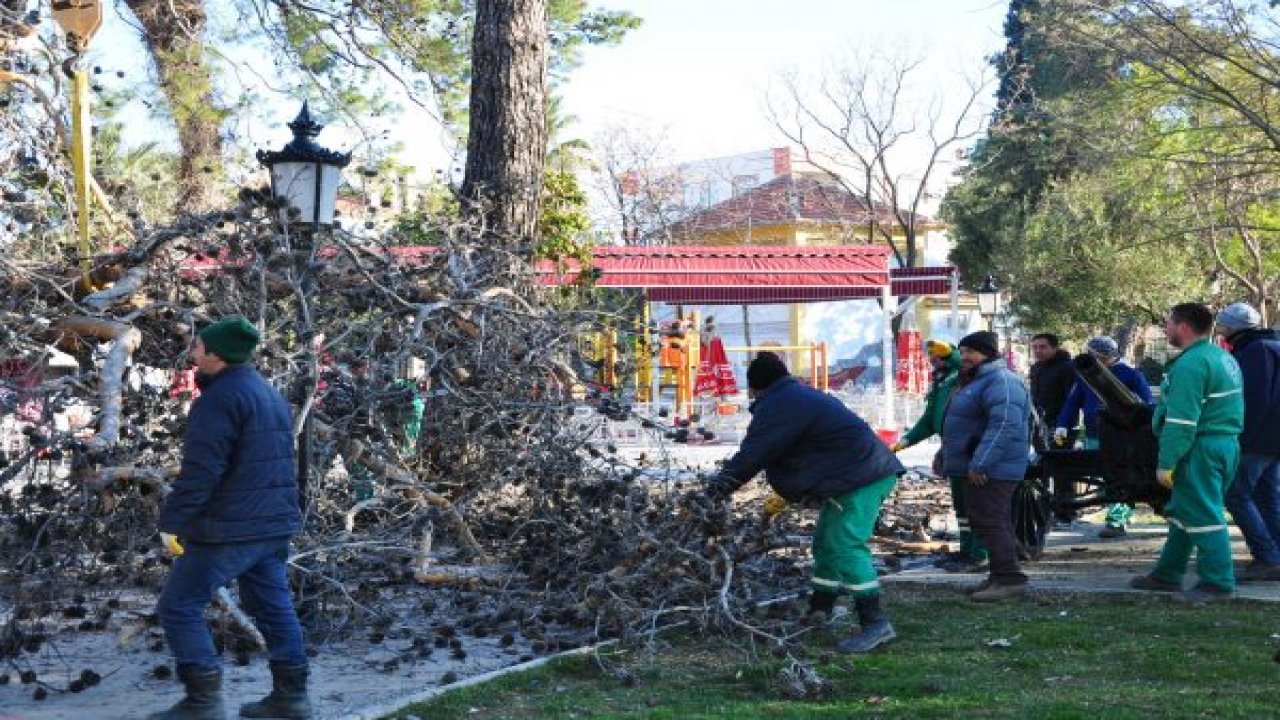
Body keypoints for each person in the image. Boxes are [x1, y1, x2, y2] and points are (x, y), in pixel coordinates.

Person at [151, 317, 312, 720]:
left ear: (216, 354)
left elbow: (202, 471)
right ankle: (291, 699)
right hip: (273, 523)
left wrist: (173, 522)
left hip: (231, 527)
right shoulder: (268, 394)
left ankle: (202, 704)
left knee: (179, 605)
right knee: (274, 606)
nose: (192, 352)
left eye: (198, 347)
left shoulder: (218, 400)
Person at [704, 352, 905, 653]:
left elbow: (753, 455)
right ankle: (819, 609)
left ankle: (875, 623)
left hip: (860, 479)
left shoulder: (780, 404)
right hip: (857, 474)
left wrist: (713, 493)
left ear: (755, 386)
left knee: (845, 547)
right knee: (825, 544)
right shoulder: (795, 396)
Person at [1130, 303, 1244, 602]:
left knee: (1204, 515)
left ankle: (1217, 583)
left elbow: (1182, 421)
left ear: (1183, 326)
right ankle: (1167, 574)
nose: (1165, 329)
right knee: (1184, 513)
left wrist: (1166, 462)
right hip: (1224, 444)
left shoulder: (1191, 364)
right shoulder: (1221, 357)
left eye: (1168, 323)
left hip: (1200, 448)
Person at [940, 331, 1032, 602]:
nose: (964, 356)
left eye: (971, 351)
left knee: (990, 520)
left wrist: (981, 462)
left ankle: (1010, 579)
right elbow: (964, 424)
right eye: (963, 351)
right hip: (983, 464)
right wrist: (944, 454)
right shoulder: (977, 381)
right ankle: (998, 575)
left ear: (988, 354)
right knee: (990, 520)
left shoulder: (1001, 382)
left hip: (994, 468)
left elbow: (1004, 425)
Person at [891, 340, 987, 571]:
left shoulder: (961, 375)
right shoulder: (941, 382)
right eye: (931, 356)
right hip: (951, 447)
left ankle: (980, 554)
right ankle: (966, 551)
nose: (935, 360)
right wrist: (903, 443)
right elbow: (929, 420)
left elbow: (957, 361)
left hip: (972, 447)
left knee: (977, 505)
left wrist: (948, 351)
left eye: (939, 356)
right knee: (961, 505)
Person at [1054, 336, 1154, 538]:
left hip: (1124, 436)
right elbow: (1073, 402)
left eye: (1098, 355)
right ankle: (1115, 514)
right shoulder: (1084, 377)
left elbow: (1147, 403)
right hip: (1094, 432)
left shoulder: (1132, 375)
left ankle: (1116, 521)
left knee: (1119, 476)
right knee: (1103, 475)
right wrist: (1062, 425)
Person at [1217, 303, 1280, 581]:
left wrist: (1239, 436)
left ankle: (1266, 556)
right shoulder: (1273, 345)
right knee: (1267, 497)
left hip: (1257, 438)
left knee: (1235, 494)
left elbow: (1253, 399)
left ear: (1233, 328)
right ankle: (1275, 554)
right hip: (1274, 439)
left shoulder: (1255, 352)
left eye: (1223, 326)